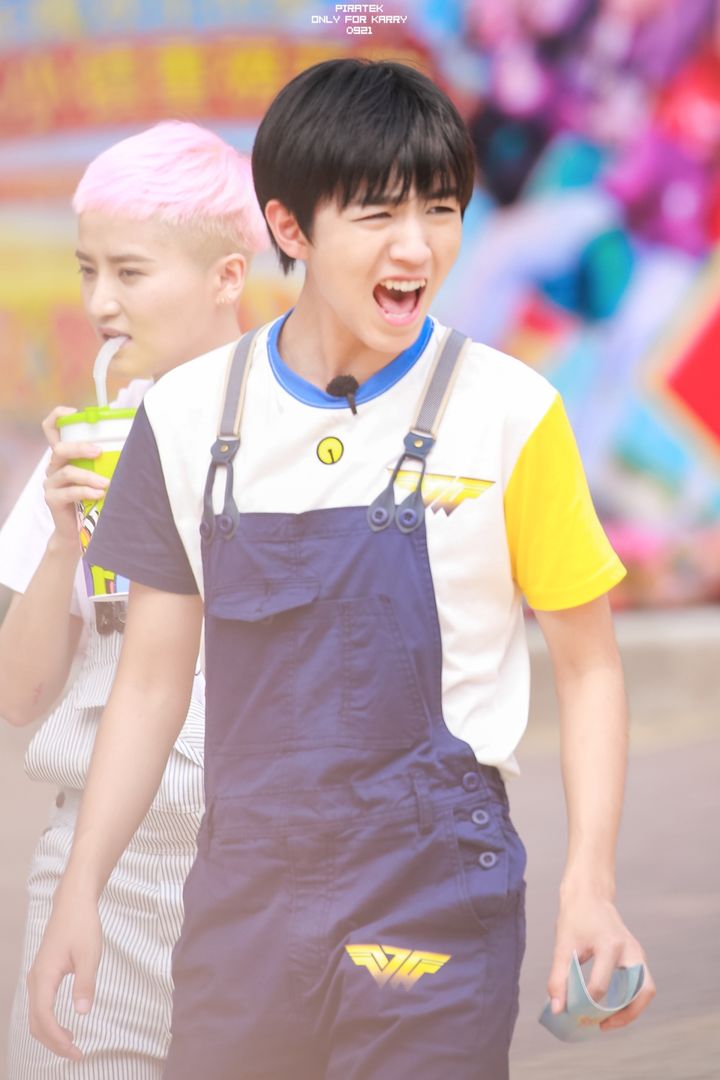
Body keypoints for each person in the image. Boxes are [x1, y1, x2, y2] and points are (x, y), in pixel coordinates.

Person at [28, 59, 655, 1079]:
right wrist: (80, 889)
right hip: (244, 906)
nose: (417, 246)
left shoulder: (512, 412)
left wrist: (591, 883)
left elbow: (589, 667)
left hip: (430, 899)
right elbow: (148, 684)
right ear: (289, 227)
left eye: (441, 209)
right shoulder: (185, 418)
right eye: (377, 214)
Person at [0, 120, 267, 1078]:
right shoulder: (88, 441)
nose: (100, 302)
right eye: (87, 270)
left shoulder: (302, 428)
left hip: (271, 870)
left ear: (227, 277)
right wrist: (63, 534)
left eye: (129, 272)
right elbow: (19, 696)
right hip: (100, 869)